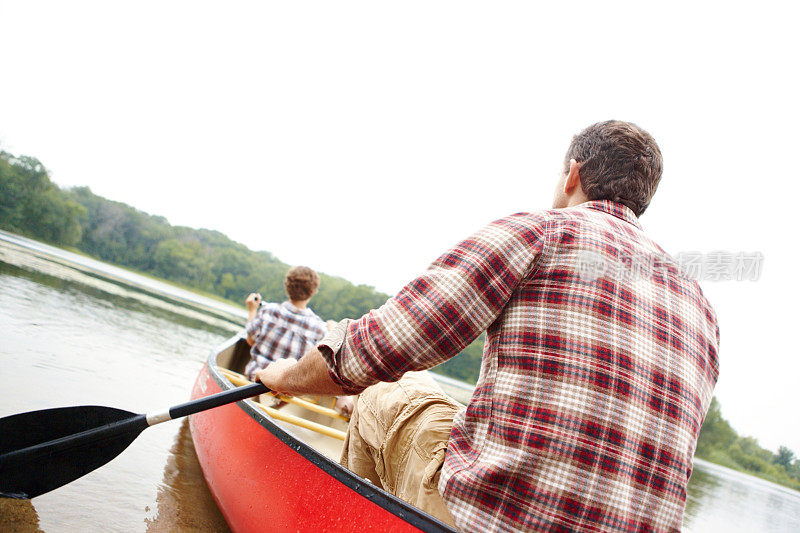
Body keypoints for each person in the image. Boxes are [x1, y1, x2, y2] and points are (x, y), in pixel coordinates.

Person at [254, 121, 719, 532]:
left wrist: (286, 376)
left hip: (492, 518)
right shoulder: (700, 304)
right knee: (454, 404)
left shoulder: (540, 233)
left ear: (573, 173)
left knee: (383, 392)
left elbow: (376, 350)